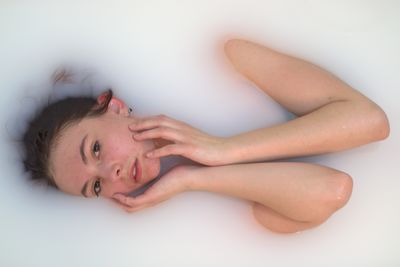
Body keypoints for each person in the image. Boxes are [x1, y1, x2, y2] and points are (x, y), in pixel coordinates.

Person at [21, 39, 390, 233]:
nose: (111, 174)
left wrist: (221, 148)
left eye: (96, 149)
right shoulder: (214, 216)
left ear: (115, 106)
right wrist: (192, 177)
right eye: (96, 187)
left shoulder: (228, 60)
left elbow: (370, 122)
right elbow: (333, 189)